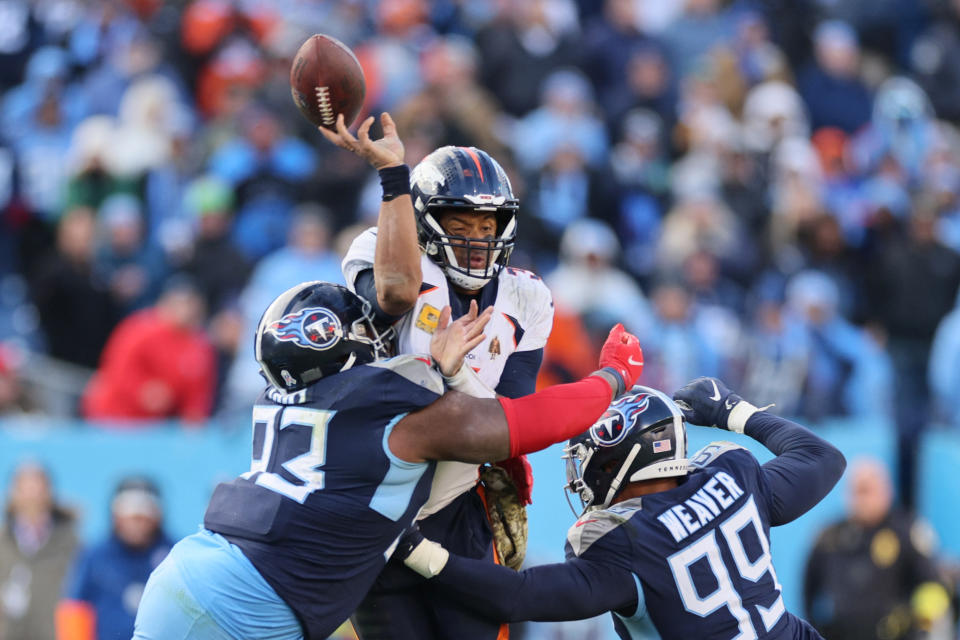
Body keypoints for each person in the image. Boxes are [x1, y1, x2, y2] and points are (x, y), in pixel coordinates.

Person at [132, 281, 644, 640]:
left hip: (193, 571)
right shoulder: (397, 418)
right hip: (252, 607)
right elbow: (525, 425)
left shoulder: (280, 396)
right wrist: (614, 378)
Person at [327, 113, 555, 639]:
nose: (477, 240)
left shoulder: (527, 296)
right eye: (459, 226)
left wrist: (446, 374)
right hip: (379, 497)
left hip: (455, 501)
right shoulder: (383, 252)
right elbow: (395, 296)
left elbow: (505, 425)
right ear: (427, 224)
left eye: (486, 226)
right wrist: (394, 178)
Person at [395, 377, 847, 639]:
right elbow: (823, 458)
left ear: (619, 461)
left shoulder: (623, 542)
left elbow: (516, 596)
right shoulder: (733, 474)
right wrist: (734, 410)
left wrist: (413, 548)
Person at [803, 457, 953, 640]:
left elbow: (933, 586)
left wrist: (916, 622)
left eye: (868, 490)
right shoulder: (830, 536)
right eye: (857, 491)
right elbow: (808, 590)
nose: (862, 499)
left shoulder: (907, 532)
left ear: (886, 491)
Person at [82, 276, 216, 424]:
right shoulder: (140, 329)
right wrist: (142, 391)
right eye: (181, 303)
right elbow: (117, 367)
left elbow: (198, 392)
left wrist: (194, 417)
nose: (186, 310)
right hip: (114, 415)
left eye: (191, 303)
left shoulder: (199, 345)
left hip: (155, 426)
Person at [58, 477, 173, 640]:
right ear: (115, 516)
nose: (136, 524)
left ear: (157, 516)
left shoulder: (175, 556)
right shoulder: (95, 556)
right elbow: (76, 610)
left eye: (142, 517)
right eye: (130, 516)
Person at [0, 461, 77, 640]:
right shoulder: (2, 543)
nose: (32, 497)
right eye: (25, 489)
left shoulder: (73, 545)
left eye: (38, 489)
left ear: (50, 494)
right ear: (13, 495)